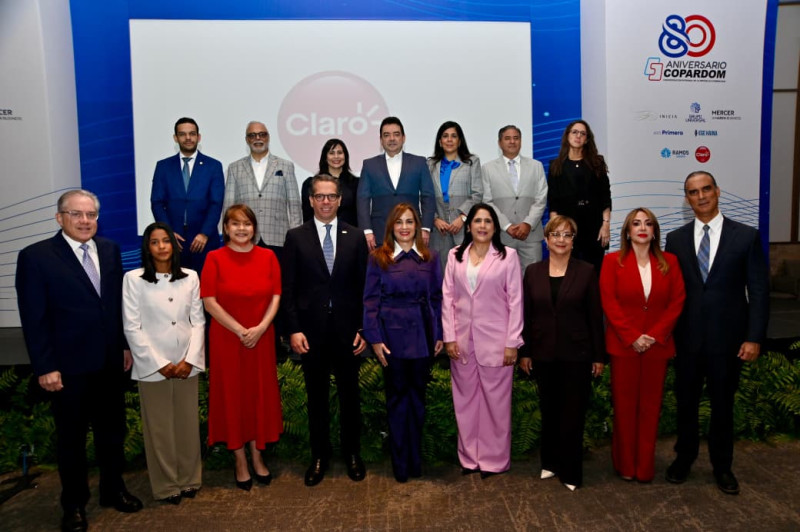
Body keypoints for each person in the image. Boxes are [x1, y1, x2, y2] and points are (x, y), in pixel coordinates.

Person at [15, 190, 142, 531]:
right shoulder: (36, 257)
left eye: (91, 215)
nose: (85, 221)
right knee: (71, 441)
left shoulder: (110, 250)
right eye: (77, 214)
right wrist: (45, 366)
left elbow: (115, 306)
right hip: (66, 369)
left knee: (112, 433)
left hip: (109, 364)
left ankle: (113, 489)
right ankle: (73, 505)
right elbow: (34, 318)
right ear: (60, 218)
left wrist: (125, 346)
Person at [664, 171, 769, 495]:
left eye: (706, 189)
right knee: (686, 404)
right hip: (688, 340)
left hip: (729, 341)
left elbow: (760, 291)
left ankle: (723, 467)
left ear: (717, 191)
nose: (701, 196)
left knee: (723, 406)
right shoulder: (676, 239)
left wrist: (753, 337)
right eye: (693, 192)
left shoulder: (746, 236)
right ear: (687, 199)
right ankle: (684, 458)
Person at [282, 174, 369, 487]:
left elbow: (364, 288)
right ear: (310, 200)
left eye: (331, 196)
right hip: (310, 334)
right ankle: (319, 457)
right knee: (316, 398)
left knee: (350, 397)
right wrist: (293, 329)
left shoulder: (356, 237)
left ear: (340, 199)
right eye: (320, 196)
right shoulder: (296, 237)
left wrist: (363, 328)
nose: (326, 201)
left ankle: (352, 454)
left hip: (348, 333)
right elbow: (288, 288)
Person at [519, 215, 605, 491]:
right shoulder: (532, 271)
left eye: (567, 235)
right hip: (543, 354)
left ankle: (571, 470)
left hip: (576, 354)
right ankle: (550, 463)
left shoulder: (587, 271)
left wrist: (598, 356)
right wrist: (526, 352)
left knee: (573, 413)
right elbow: (527, 316)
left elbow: (595, 317)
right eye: (555, 234)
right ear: (546, 240)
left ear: (573, 241)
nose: (560, 239)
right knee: (550, 411)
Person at [599, 208, 685, 483]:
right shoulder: (612, 261)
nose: (642, 227)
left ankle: (645, 467)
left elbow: (677, 301)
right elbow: (609, 303)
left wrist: (655, 334)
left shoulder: (670, 261)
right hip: (624, 346)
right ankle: (625, 465)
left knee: (650, 408)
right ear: (627, 231)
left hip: (657, 347)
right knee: (624, 408)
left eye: (648, 223)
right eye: (636, 223)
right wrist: (632, 336)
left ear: (655, 231)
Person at [122, 222, 205, 504]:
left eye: (166, 241)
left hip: (186, 364)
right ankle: (167, 485)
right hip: (152, 366)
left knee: (186, 425)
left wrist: (189, 359)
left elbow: (198, 322)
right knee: (159, 429)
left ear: (174, 245)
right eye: (155, 242)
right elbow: (132, 327)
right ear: (147, 247)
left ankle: (190, 479)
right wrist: (159, 363)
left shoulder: (191, 277)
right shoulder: (133, 279)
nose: (161, 247)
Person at [201, 204, 283, 491]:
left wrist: (259, 329)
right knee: (233, 395)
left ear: (254, 228)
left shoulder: (268, 256)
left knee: (257, 395)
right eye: (235, 224)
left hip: (261, 339)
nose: (241, 229)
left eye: (247, 224)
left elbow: (276, 296)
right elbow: (209, 301)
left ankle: (258, 455)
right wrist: (239, 330)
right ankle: (239, 459)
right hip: (227, 340)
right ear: (225, 228)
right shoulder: (214, 258)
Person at [362, 203, 443, 482]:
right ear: (391, 227)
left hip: (422, 337)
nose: (405, 227)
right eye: (399, 222)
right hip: (391, 340)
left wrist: (439, 334)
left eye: (410, 222)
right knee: (396, 402)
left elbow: (436, 298)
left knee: (417, 401)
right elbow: (370, 301)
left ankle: (414, 460)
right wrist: (374, 339)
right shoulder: (378, 258)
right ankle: (400, 464)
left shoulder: (430, 258)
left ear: (417, 226)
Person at [441, 203, 522, 478]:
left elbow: (516, 301)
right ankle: (469, 458)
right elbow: (448, 298)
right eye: (478, 221)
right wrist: (449, 336)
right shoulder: (455, 255)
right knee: (465, 402)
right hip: (462, 342)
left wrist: (513, 341)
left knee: (496, 404)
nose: (483, 226)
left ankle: (493, 460)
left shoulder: (507, 256)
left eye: (488, 221)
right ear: (468, 225)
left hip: (497, 343)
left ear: (495, 227)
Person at [150, 117, 225, 276]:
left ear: (199, 137)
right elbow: (157, 202)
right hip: (174, 240)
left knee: (205, 287)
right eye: (183, 134)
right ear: (175, 138)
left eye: (192, 134)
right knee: (176, 288)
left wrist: (204, 233)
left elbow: (216, 203)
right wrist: (168, 232)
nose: (188, 138)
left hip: (203, 240)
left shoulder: (213, 166)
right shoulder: (163, 166)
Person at [222, 121, 301, 259]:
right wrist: (228, 235)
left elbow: (294, 204)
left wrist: (295, 237)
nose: (258, 138)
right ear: (247, 140)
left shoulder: (285, 166)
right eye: (252, 135)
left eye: (262, 134)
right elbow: (229, 206)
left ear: (268, 137)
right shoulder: (234, 168)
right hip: (244, 238)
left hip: (278, 237)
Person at [357, 116, 436, 250]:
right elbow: (362, 199)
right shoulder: (369, 165)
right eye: (386, 135)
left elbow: (428, 196)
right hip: (379, 234)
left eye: (396, 134)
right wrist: (367, 230)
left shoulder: (419, 162)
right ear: (381, 140)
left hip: (413, 233)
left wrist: (425, 227)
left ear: (403, 138)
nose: (392, 139)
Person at [547, 120, 612, 274]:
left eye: (583, 133)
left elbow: (605, 196)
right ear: (567, 136)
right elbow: (553, 201)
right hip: (567, 227)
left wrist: (606, 224)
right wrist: (555, 230)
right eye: (574, 132)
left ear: (587, 139)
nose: (578, 136)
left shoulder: (597, 162)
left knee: (594, 271)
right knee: (568, 272)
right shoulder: (556, 165)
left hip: (594, 225)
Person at [482, 125, 548, 271]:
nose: (512, 141)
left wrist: (528, 223)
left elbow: (541, 198)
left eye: (516, 138)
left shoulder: (536, 166)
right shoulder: (487, 168)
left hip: (530, 235)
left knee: (532, 280)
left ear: (521, 141)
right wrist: (506, 226)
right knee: (502, 281)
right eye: (507, 138)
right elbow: (487, 201)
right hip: (502, 236)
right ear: (500, 143)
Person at [427, 121, 483, 272]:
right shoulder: (429, 164)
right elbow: (425, 196)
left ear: (459, 141)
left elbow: (477, 194)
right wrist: (435, 218)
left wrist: (463, 217)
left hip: (464, 228)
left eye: (454, 136)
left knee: (466, 273)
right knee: (441, 275)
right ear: (440, 141)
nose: (449, 140)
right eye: (445, 136)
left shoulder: (471, 162)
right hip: (439, 230)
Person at [300, 139, 359, 227]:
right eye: (331, 153)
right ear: (325, 157)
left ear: (345, 156)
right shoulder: (310, 183)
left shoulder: (357, 183)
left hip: (350, 234)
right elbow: (307, 214)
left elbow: (360, 213)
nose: (336, 156)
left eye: (339, 153)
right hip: (319, 234)